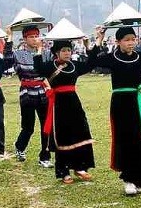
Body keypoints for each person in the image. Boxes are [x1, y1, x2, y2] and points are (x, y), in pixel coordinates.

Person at [87, 24, 141, 195]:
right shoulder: (112, 58)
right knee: (125, 139)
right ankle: (128, 179)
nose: (131, 43)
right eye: (127, 40)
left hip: (138, 101)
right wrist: (99, 38)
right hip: (120, 103)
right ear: (118, 42)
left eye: (133, 39)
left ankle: (139, 180)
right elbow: (91, 60)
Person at [34, 38, 95, 183]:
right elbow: (37, 67)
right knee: (63, 136)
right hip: (58, 105)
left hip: (74, 103)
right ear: (57, 52)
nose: (67, 53)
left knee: (81, 132)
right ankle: (63, 171)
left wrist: (87, 46)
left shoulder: (75, 66)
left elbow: (91, 64)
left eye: (69, 50)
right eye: (63, 51)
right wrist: (39, 48)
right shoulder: (50, 66)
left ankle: (80, 167)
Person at [12, 26, 53, 167]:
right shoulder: (18, 54)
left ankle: (45, 157)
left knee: (46, 126)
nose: (35, 39)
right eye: (31, 37)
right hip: (27, 93)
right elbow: (6, 58)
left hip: (43, 92)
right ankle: (20, 146)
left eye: (37, 36)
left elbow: (52, 68)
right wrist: (8, 36)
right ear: (25, 39)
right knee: (28, 127)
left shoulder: (46, 53)